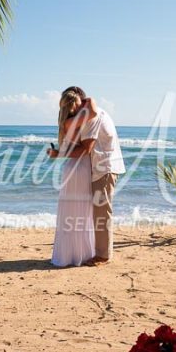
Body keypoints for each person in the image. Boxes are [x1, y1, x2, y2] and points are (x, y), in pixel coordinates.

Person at [49, 86, 125, 265]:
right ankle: (95, 251)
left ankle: (103, 256)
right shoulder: (88, 113)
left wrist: (58, 154)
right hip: (100, 166)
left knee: (102, 212)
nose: (73, 112)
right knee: (97, 211)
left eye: (73, 107)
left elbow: (86, 149)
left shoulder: (93, 116)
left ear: (81, 102)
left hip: (105, 166)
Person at [49, 89, 97, 267]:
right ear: (74, 105)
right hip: (81, 166)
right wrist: (87, 99)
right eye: (79, 103)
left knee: (70, 211)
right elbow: (93, 111)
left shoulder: (65, 123)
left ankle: (67, 254)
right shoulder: (76, 122)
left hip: (69, 167)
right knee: (82, 211)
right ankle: (82, 254)